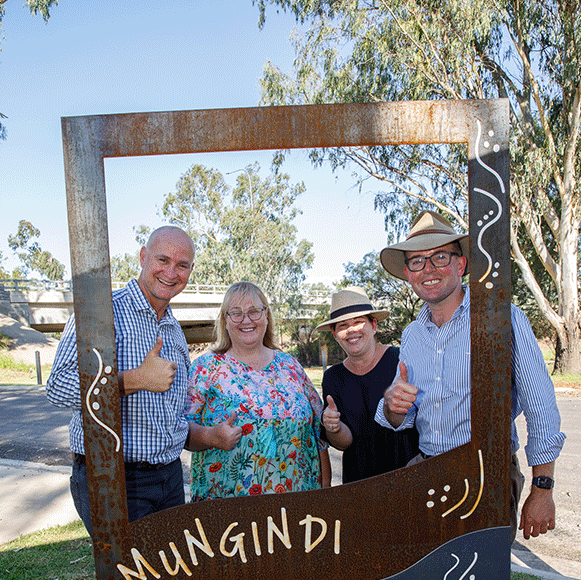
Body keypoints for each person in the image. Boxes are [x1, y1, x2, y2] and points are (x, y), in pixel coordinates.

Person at [375, 210, 565, 541]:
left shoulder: (501, 318)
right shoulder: (412, 336)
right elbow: (400, 417)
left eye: (439, 257)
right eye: (418, 261)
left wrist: (543, 488)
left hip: (487, 475)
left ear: (460, 265)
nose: (429, 269)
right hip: (425, 471)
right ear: (408, 274)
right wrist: (393, 404)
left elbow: (541, 406)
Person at [46, 226, 197, 532]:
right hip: (113, 477)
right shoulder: (102, 311)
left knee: (170, 579)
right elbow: (58, 387)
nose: (171, 272)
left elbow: (172, 414)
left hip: (169, 478)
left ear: (190, 271)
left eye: (182, 265)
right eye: (162, 260)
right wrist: (133, 380)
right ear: (143, 257)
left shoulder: (173, 328)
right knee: (130, 579)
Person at [185, 281, 331, 500]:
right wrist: (211, 436)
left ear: (266, 316)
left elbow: (318, 434)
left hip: (299, 504)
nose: (246, 320)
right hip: (229, 511)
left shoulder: (290, 366)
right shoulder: (205, 369)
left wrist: (326, 489)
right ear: (225, 320)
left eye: (254, 311)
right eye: (236, 313)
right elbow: (181, 432)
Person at [316, 286, 419, 483]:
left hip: (409, 476)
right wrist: (334, 428)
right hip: (359, 483)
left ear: (373, 325)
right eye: (343, 325)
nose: (352, 330)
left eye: (358, 322)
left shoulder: (402, 361)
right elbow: (345, 443)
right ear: (335, 333)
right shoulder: (333, 377)